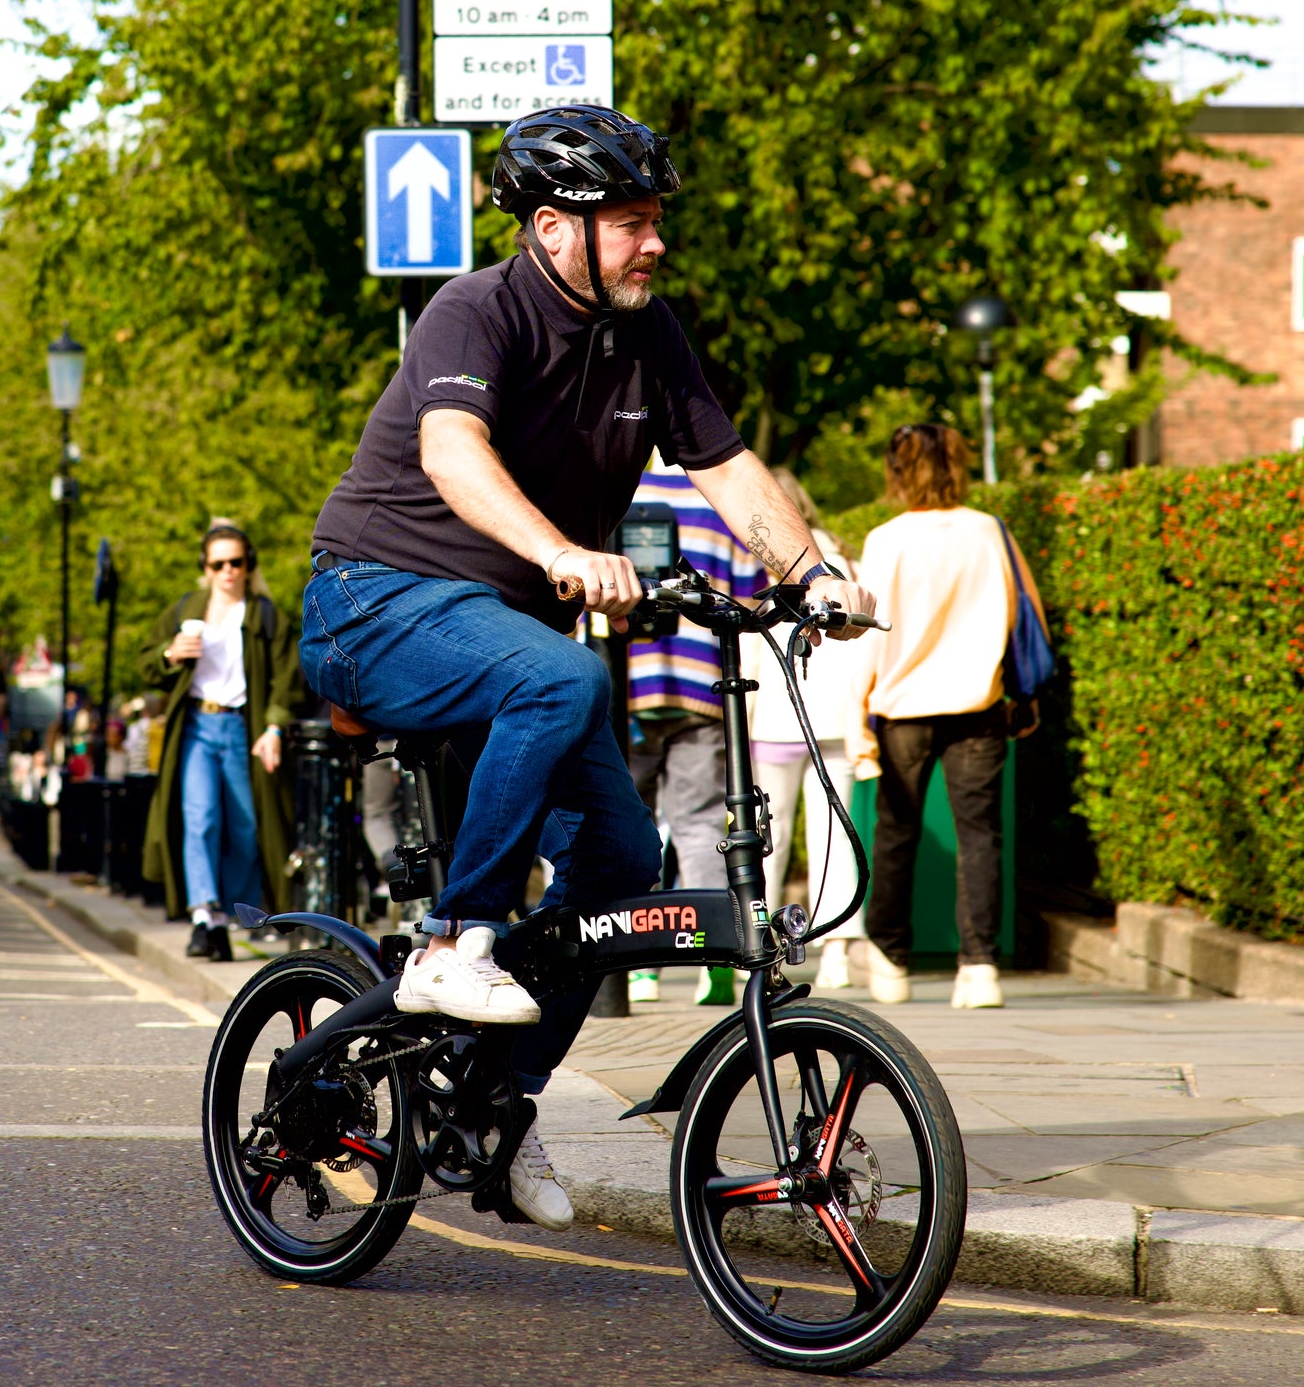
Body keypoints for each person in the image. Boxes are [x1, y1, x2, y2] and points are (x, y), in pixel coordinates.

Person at [303, 104, 875, 1230]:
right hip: (373, 601)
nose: (655, 242)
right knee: (568, 681)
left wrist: (812, 572)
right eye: (631, 222)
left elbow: (727, 466)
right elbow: (451, 453)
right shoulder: (476, 311)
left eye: (658, 220)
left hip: (499, 636)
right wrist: (565, 553)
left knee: (623, 858)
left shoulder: (648, 335)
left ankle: (500, 1108)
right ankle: (453, 942)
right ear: (554, 228)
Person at [850, 424, 1046, 1011]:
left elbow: (869, 635)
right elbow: (1018, 611)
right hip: (979, 705)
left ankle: (890, 961)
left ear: (896, 472)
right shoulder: (988, 530)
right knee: (980, 835)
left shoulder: (886, 538)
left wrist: (856, 712)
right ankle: (979, 967)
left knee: (896, 832)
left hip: (904, 705)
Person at [624, 451, 765, 1007]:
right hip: (699, 683)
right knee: (703, 819)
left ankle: (640, 963)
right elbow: (747, 591)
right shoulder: (716, 501)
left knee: (626, 825)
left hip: (626, 685)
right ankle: (713, 953)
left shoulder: (617, 496)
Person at [139, 522, 303, 961]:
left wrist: (273, 728)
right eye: (219, 563)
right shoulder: (185, 610)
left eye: (237, 562)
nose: (229, 571)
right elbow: (148, 662)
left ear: (249, 566)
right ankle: (203, 916)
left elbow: (288, 679)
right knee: (201, 818)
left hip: (243, 731)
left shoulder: (266, 616)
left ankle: (228, 915)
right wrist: (170, 654)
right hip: (196, 725)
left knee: (246, 828)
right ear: (206, 568)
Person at [742, 468, 873, 990]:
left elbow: (751, 654)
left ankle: (761, 950)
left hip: (773, 722)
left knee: (763, 843)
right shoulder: (847, 569)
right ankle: (838, 951)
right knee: (834, 840)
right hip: (835, 722)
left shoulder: (765, 574)